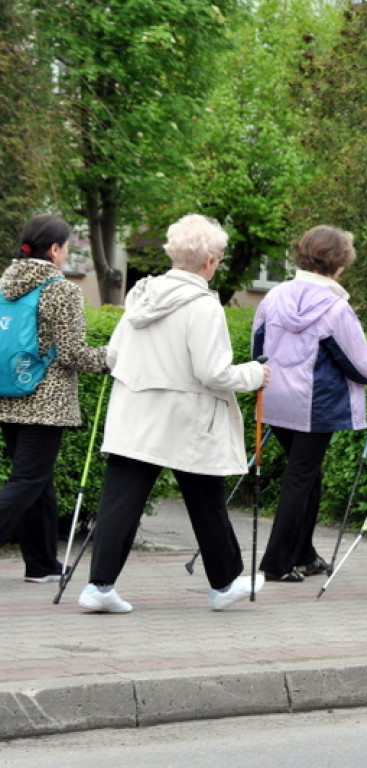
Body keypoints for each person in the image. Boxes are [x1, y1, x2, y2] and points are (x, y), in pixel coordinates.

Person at [78, 214, 270, 613]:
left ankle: (99, 586)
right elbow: (213, 372)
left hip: (134, 411)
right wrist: (255, 373)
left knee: (121, 500)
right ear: (210, 261)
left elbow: (113, 355)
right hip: (185, 419)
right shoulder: (203, 306)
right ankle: (224, 584)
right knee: (205, 500)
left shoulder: (141, 297)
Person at [253, 225, 367, 582]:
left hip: (274, 399)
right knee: (301, 478)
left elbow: (258, 350)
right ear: (340, 263)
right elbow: (361, 367)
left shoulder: (273, 296)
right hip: (315, 405)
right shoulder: (335, 307)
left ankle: (303, 554)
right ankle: (276, 562)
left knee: (307, 476)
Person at [0, 214, 107, 583]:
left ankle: (41, 563)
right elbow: (72, 354)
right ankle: (41, 562)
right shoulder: (61, 289)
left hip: (7, 392)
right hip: (45, 401)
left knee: (36, 482)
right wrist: (111, 357)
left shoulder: (4, 283)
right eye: (66, 248)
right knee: (29, 481)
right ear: (55, 249)